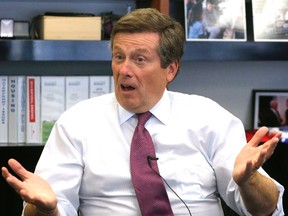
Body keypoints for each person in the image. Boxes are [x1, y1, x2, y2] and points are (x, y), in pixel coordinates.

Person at [1, 8, 285, 216]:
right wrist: (46, 209)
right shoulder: (77, 123)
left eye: (139, 59)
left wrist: (249, 181)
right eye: (118, 57)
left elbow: (268, 209)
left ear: (170, 69)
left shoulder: (209, 118)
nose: (124, 70)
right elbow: (50, 204)